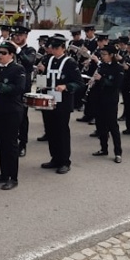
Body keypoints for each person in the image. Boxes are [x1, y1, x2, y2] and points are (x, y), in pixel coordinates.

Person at [38, 35, 84, 174]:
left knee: (62, 132)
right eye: (52, 47)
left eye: (56, 48)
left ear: (63, 48)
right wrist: (41, 74)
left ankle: (65, 161)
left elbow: (80, 83)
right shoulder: (48, 59)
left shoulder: (70, 63)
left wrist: (66, 86)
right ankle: (55, 158)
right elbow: (44, 78)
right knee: (51, 131)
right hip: (48, 100)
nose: (53, 50)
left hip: (62, 103)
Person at [0, 41, 26, 189]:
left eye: (3, 53)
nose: (0, 56)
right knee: (0, 143)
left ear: (11, 55)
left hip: (12, 111)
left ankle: (13, 177)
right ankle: (3, 173)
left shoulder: (18, 69)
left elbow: (18, 89)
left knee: (11, 145)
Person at [91, 45, 124, 163]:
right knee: (100, 125)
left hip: (110, 100)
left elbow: (117, 84)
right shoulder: (101, 66)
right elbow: (98, 81)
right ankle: (103, 148)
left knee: (112, 126)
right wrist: (93, 81)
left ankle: (118, 152)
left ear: (111, 55)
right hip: (99, 99)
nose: (102, 56)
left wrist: (102, 79)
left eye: (105, 54)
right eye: (102, 54)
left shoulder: (118, 68)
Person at [11, 25, 36, 157]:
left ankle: (23, 144)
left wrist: (17, 49)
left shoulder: (30, 50)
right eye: (16, 35)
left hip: (23, 88)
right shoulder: (11, 50)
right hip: (11, 87)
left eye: (20, 35)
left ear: (26, 36)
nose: (17, 37)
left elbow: (29, 62)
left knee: (22, 117)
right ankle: (12, 141)